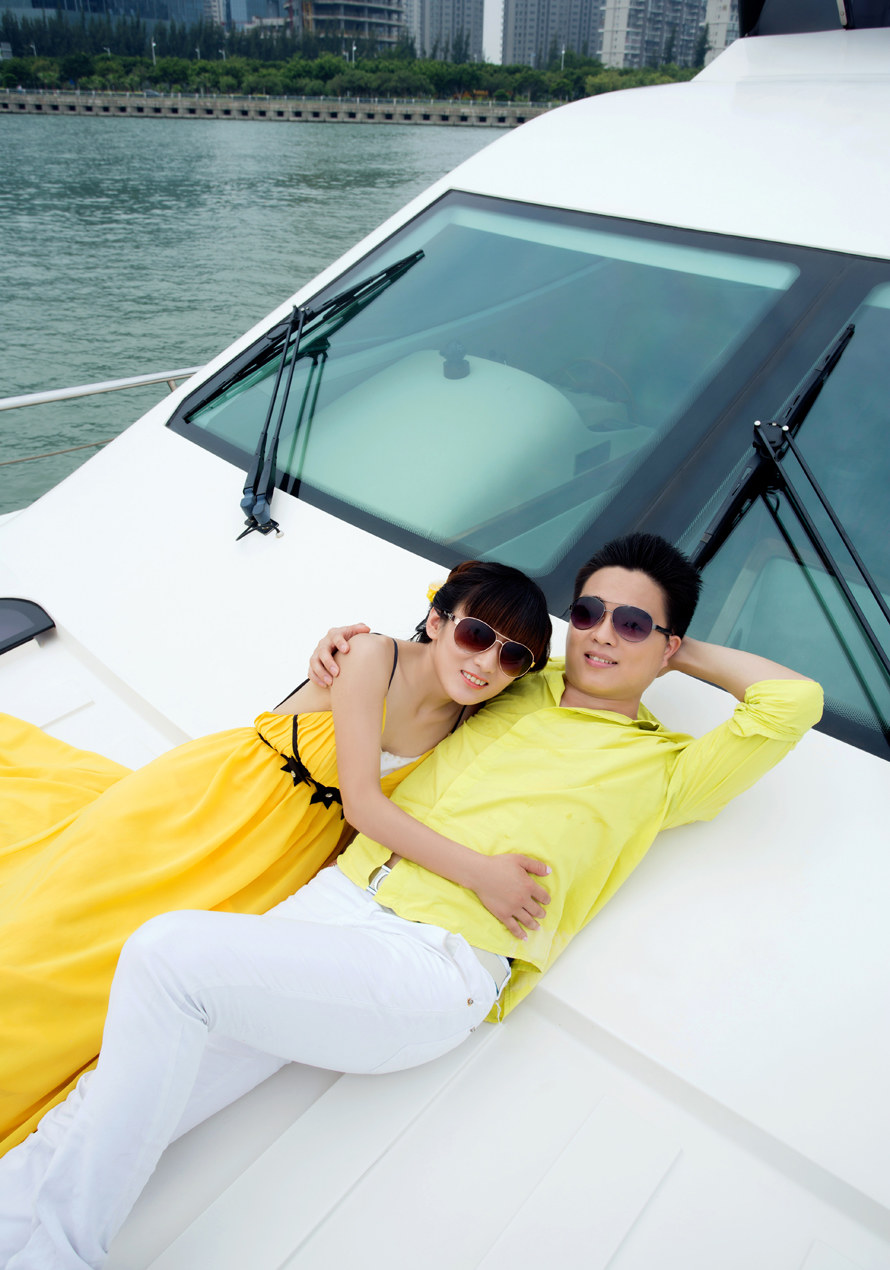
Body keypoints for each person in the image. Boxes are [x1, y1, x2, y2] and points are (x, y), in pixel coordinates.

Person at [0, 534, 823, 1270]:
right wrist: (341, 646)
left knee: (168, 958)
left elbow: (792, 702)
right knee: (115, 1086)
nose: (603, 633)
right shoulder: (512, 683)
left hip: (434, 961)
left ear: (666, 643)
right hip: (331, 907)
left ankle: (62, 1252)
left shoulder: (668, 768)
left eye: (632, 624)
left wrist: (675, 653)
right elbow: (435, 636)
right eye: (589, 613)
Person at [0, 561, 552, 1159]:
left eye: (513, 656)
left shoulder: (471, 713)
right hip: (213, 805)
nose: (486, 663)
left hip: (282, 861)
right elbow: (362, 804)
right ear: (437, 620)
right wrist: (481, 874)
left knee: (143, 975)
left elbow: (586, 679)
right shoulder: (371, 655)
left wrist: (647, 658)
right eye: (476, 634)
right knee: (67, 936)